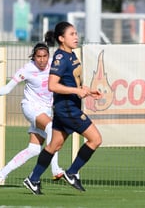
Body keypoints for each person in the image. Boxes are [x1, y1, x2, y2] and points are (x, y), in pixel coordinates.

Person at [23, 21, 102, 195]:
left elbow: (73, 82)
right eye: (72, 34)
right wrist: (76, 91)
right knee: (95, 139)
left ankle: (33, 179)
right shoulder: (60, 58)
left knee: (54, 145)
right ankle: (72, 172)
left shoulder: (71, 55)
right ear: (61, 38)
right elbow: (52, 85)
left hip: (67, 107)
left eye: (76, 33)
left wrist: (87, 91)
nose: (76, 37)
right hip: (67, 109)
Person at [0, 42, 64, 189]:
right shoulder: (27, 69)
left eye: (44, 56)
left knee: (33, 149)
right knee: (52, 129)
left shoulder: (54, 66)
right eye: (38, 57)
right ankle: (55, 170)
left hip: (46, 110)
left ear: (49, 56)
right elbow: (8, 88)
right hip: (30, 107)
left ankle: (1, 174)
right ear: (33, 57)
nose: (41, 60)